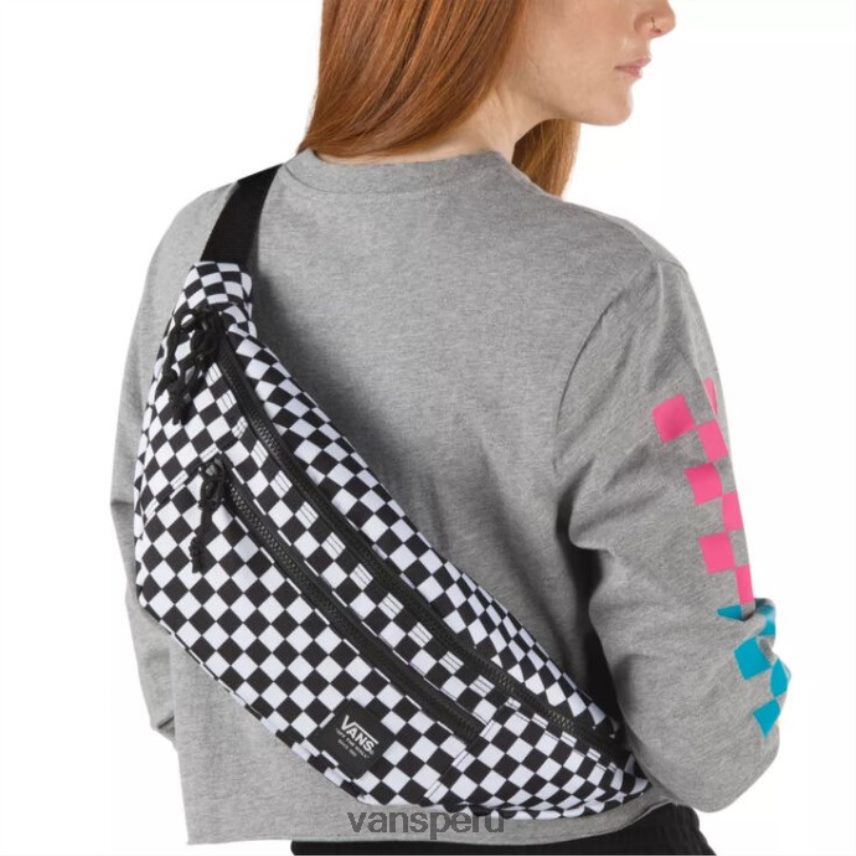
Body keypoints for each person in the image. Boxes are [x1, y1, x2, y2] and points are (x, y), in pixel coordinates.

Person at [110, 0, 789, 852]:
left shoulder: (212, 243)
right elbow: (710, 750)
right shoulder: (613, 283)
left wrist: (318, 750)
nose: (662, 15)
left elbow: (158, 534)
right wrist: (747, 696)